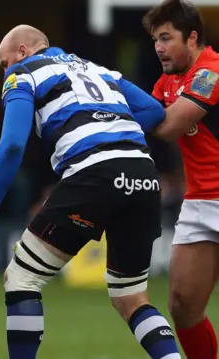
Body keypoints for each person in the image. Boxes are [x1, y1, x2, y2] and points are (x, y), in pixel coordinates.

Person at [0, 25, 181, 359]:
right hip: (143, 174)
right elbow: (154, 111)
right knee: (131, 297)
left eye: (4, 62)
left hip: (93, 173)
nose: (5, 71)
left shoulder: (23, 73)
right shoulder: (100, 71)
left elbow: (12, 144)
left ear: (24, 51)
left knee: (21, 277)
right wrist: (110, 126)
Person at [143, 1, 219, 358]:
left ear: (192, 38)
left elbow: (169, 126)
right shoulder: (168, 80)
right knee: (182, 305)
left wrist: (152, 115)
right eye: (155, 39)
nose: (158, 47)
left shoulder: (211, 71)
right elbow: (140, 122)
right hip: (200, 200)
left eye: (166, 38)